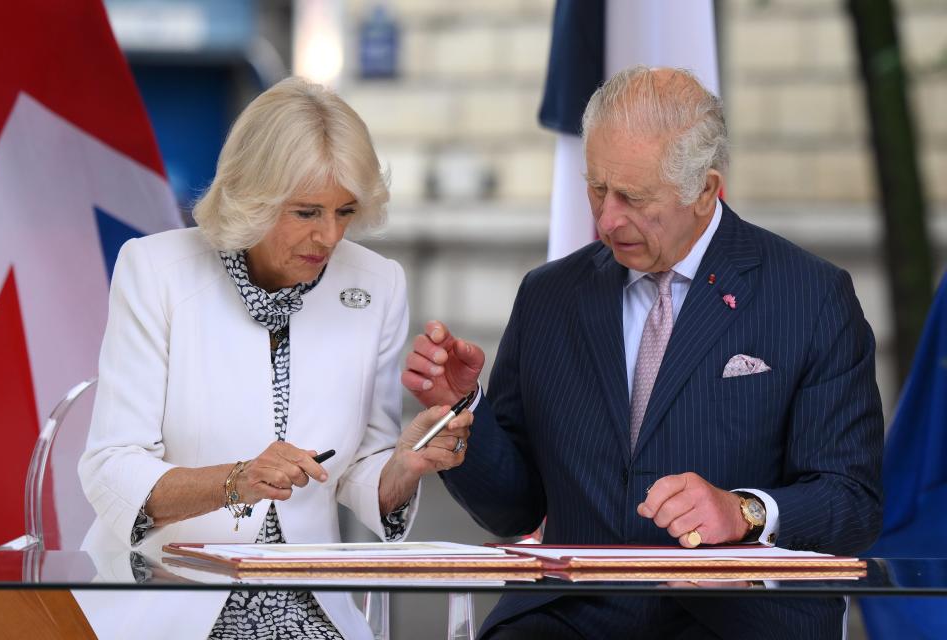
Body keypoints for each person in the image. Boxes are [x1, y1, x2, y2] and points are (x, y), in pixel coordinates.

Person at [403, 66, 883, 639]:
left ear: (705, 191)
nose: (606, 220)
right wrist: (464, 410)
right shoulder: (549, 295)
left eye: (633, 197)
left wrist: (745, 512)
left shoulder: (809, 296)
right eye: (597, 189)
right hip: (569, 615)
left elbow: (852, 501)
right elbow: (515, 509)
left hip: (736, 614)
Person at [76, 77, 472, 640]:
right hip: (169, 597)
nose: (330, 235)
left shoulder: (378, 283)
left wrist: (403, 467)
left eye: (345, 211)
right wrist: (236, 480)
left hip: (309, 598)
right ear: (250, 196)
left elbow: (359, 469)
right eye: (307, 212)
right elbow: (110, 465)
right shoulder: (154, 271)